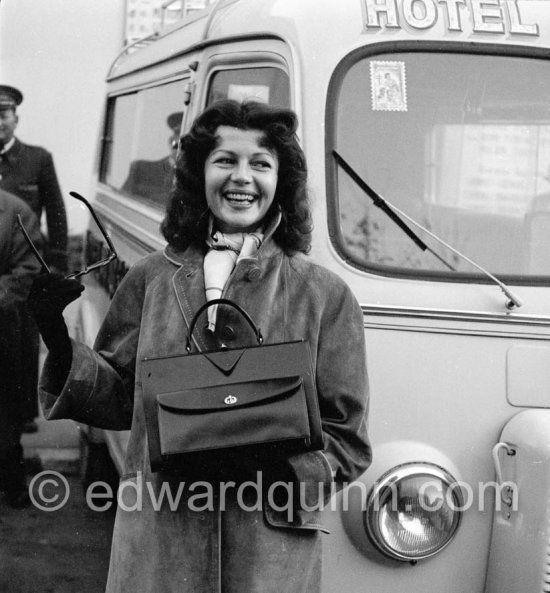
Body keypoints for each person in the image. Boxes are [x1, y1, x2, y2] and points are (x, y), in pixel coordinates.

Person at [28, 100, 371, 592]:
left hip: (266, 558)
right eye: (225, 160)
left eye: (261, 164)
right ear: (198, 173)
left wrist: (278, 470)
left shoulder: (323, 294)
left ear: (282, 181)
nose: (242, 178)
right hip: (160, 547)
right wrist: (57, 338)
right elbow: (121, 398)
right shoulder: (150, 279)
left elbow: (349, 439)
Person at [0, 84, 69, 433]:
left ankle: (21, 414)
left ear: (15, 117)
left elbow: (56, 213)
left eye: (3, 113)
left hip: (25, 267)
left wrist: (57, 267)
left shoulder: (36, 159)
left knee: (22, 345)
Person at [0, 188, 42, 507]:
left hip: (5, 334)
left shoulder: (17, 213)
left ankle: (12, 485)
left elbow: (27, 271)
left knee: (6, 421)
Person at [122, 111, 183, 205]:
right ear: (171, 141)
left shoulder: (201, 178)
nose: (184, 142)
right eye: (179, 134)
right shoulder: (141, 170)